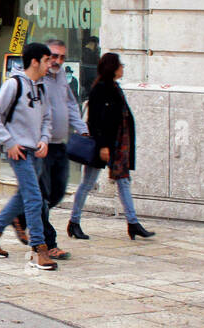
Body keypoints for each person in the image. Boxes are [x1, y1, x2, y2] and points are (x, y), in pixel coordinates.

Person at [0, 41, 55, 271]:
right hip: (19, 151)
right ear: (34, 61)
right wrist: (9, 142)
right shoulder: (14, 85)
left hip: (36, 150)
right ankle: (38, 249)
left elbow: (47, 118)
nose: (50, 65)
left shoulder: (42, 87)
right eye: (46, 60)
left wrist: (45, 139)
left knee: (23, 196)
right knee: (33, 197)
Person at [84, 52, 154, 240]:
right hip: (104, 146)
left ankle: (133, 223)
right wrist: (103, 146)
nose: (123, 68)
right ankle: (73, 222)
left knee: (123, 181)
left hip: (118, 147)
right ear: (112, 67)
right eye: (120, 65)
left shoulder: (115, 88)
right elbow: (95, 121)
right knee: (87, 184)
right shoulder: (99, 89)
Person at [30, 38, 88, 260]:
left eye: (62, 57)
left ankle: (22, 216)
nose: (58, 61)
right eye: (54, 56)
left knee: (57, 192)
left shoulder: (62, 76)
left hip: (58, 144)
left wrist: (81, 128)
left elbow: (71, 104)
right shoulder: (35, 78)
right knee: (42, 197)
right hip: (39, 146)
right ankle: (48, 242)